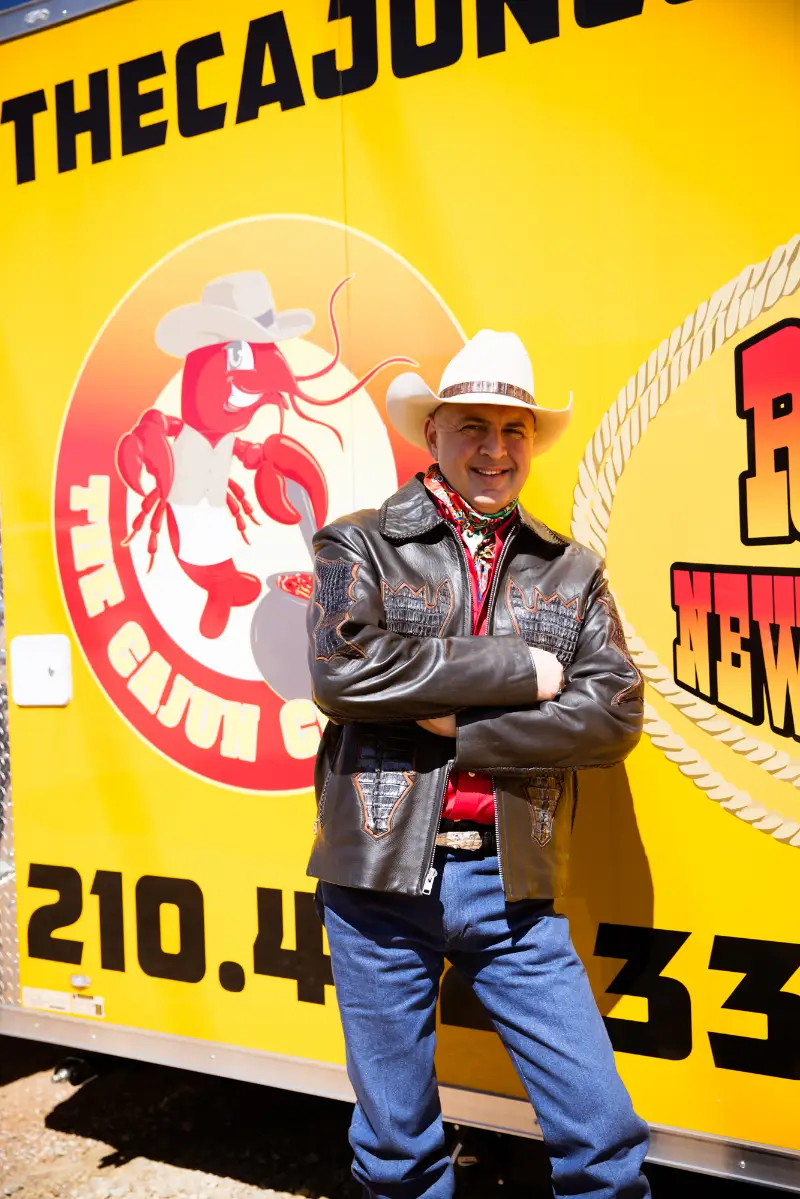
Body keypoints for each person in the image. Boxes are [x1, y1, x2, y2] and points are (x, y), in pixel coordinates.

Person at [306, 329, 649, 1199]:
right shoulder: (358, 544)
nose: (494, 449)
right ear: (434, 433)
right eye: (472, 426)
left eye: (514, 429)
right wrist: (522, 673)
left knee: (604, 1136)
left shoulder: (569, 569)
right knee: (397, 1149)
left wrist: (457, 725)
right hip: (378, 883)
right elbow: (342, 670)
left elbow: (615, 711)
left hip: (511, 885)